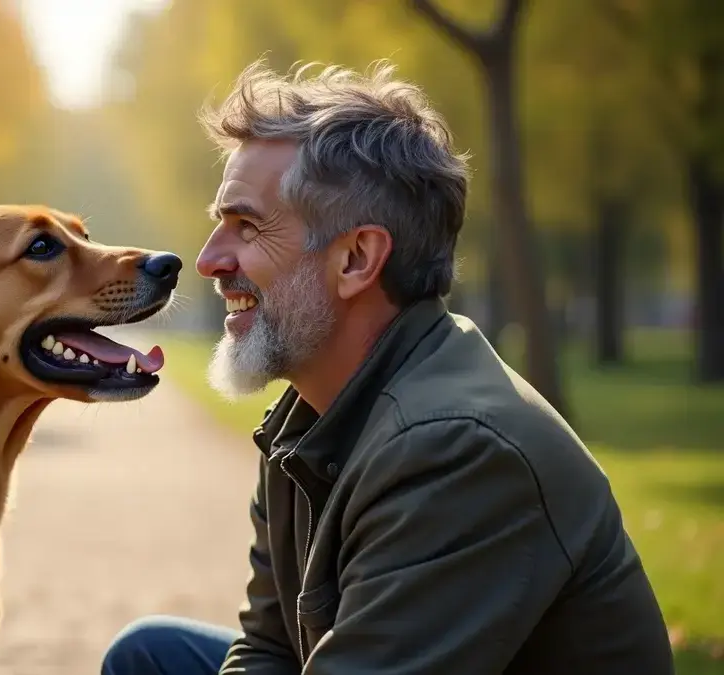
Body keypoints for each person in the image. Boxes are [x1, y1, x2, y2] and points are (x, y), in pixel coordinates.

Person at [101, 60, 674, 675]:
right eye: (220, 225)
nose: (210, 259)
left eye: (248, 226)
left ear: (357, 258)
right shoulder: (305, 419)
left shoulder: (456, 448)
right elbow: (270, 648)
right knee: (150, 656)